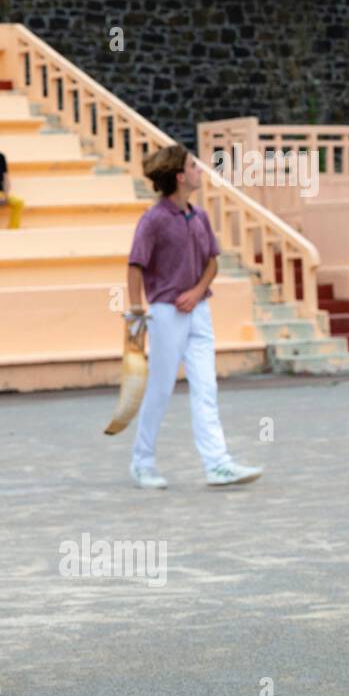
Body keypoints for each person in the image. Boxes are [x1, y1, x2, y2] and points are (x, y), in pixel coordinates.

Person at [127, 145, 264, 490]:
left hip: (199, 311)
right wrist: (135, 313)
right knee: (160, 390)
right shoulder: (153, 220)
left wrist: (198, 289)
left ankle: (217, 464)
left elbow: (212, 262)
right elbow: (135, 265)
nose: (199, 170)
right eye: (193, 166)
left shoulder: (199, 217)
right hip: (165, 313)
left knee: (206, 388)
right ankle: (142, 462)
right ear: (179, 176)